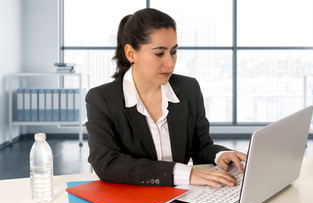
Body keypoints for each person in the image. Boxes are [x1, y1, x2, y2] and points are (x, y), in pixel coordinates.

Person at [85, 8, 247, 188]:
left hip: (183, 197)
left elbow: (201, 146)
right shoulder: (102, 99)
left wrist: (219, 155)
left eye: (174, 51)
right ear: (131, 54)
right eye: (159, 53)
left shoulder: (188, 89)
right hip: (135, 202)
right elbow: (107, 164)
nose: (170, 63)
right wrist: (186, 174)